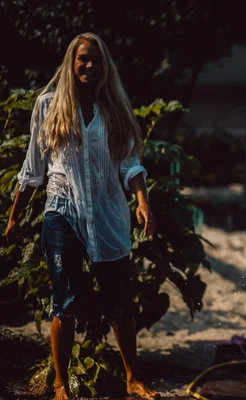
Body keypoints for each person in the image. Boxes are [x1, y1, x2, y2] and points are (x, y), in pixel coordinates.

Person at [3, 33, 157, 400]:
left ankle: (132, 377)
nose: (90, 66)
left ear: (106, 67)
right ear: (71, 64)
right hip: (62, 211)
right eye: (83, 59)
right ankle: (60, 383)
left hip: (107, 213)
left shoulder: (114, 109)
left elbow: (130, 163)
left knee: (120, 301)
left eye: (97, 60)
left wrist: (143, 202)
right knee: (66, 301)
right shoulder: (48, 105)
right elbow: (33, 167)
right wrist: (14, 216)